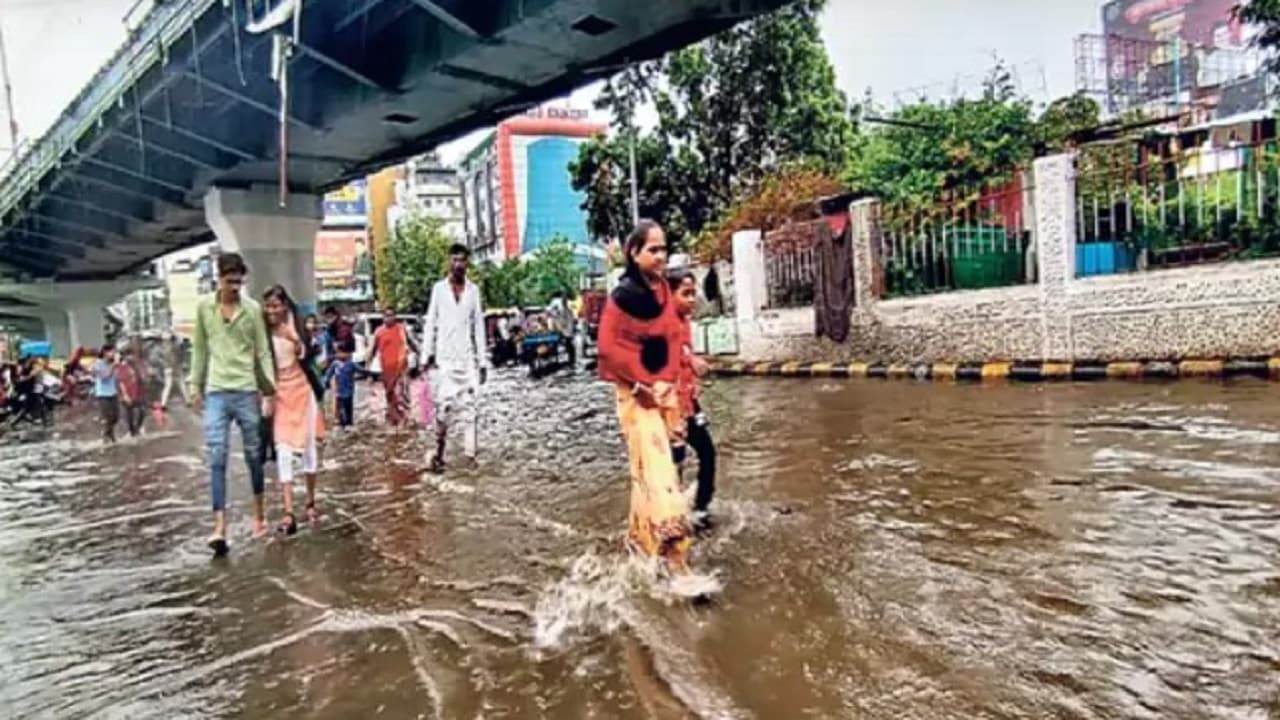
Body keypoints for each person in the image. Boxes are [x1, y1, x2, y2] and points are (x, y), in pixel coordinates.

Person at [597, 220, 692, 569]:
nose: (661, 255)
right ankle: (677, 560)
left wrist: (669, 384)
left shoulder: (663, 291)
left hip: (663, 390)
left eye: (663, 248)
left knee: (647, 471)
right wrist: (642, 386)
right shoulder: (622, 298)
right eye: (653, 249)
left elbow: (671, 336)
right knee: (659, 471)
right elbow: (608, 350)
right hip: (634, 395)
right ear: (633, 254)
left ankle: (640, 540)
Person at [188, 252, 277, 556]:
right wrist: (194, 386)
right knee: (217, 456)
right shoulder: (203, 308)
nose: (235, 287)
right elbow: (200, 350)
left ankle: (260, 514)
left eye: (239, 282)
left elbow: (262, 351)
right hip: (216, 391)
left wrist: (269, 389)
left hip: (246, 390)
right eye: (230, 282)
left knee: (254, 454)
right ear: (219, 278)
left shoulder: (252, 310)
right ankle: (219, 527)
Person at [262, 285, 326, 535]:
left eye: (276, 305)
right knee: (283, 451)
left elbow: (305, 354)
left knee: (309, 449)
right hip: (280, 396)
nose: (271, 311)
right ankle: (288, 512)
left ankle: (310, 502)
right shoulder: (263, 333)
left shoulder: (297, 326)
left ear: (285, 306)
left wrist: (293, 336)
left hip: (302, 392)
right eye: (268, 306)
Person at [421, 244, 488, 472]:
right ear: (449, 262)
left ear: (468, 263)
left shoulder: (473, 290)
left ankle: (470, 458)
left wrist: (483, 361)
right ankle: (439, 452)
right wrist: (425, 355)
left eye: (462, 260)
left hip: (467, 360)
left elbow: (478, 325)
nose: (458, 264)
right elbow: (431, 323)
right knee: (443, 411)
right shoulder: (438, 289)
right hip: (445, 361)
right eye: (454, 260)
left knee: (471, 410)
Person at [668, 270, 717, 529]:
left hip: (688, 402)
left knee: (707, 452)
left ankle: (700, 508)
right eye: (685, 293)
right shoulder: (662, 323)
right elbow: (663, 356)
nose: (693, 298)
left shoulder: (685, 321)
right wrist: (690, 361)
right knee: (674, 462)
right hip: (669, 407)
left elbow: (685, 353)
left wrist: (694, 383)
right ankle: (670, 517)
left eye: (693, 292)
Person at [368, 307, 415, 426]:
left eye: (392, 315)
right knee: (390, 395)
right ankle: (392, 420)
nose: (389, 318)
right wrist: (367, 368)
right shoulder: (379, 332)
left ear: (395, 316)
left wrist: (422, 356)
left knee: (401, 395)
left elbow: (410, 342)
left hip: (401, 369)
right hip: (387, 370)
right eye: (387, 315)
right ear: (383, 318)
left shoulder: (401, 329)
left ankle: (403, 422)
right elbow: (372, 350)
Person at [323, 350, 360, 429]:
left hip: (349, 391)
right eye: (338, 353)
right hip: (339, 391)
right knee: (340, 407)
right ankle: (342, 423)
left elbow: (361, 370)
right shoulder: (335, 364)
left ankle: (349, 423)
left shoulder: (351, 364)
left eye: (343, 352)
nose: (340, 355)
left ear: (348, 354)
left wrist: (372, 374)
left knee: (348, 407)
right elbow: (329, 374)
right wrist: (326, 381)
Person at [91, 346, 120, 442]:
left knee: (115, 417)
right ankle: (107, 436)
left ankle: (108, 433)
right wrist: (114, 366)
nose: (113, 355)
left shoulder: (112, 364)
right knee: (108, 418)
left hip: (113, 393)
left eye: (114, 352)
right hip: (103, 394)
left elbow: (116, 378)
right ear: (105, 353)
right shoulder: (98, 364)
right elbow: (105, 377)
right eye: (112, 352)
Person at [116, 346, 145, 437]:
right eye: (129, 355)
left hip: (137, 393)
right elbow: (121, 382)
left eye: (132, 355)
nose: (131, 357)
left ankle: (137, 429)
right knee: (129, 415)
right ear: (125, 356)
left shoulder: (135, 366)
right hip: (127, 394)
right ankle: (132, 432)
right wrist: (125, 395)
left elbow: (140, 379)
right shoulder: (122, 367)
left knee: (142, 412)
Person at [159, 333, 189, 410]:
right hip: (175, 367)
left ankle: (163, 404)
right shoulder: (175, 347)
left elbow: (162, 359)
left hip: (167, 368)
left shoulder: (163, 347)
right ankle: (188, 401)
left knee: (167, 386)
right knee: (182, 384)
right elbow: (177, 358)